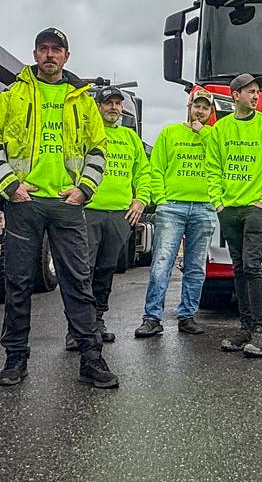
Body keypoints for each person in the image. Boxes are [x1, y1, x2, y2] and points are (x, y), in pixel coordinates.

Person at [0, 27, 116, 389]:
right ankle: (15, 360)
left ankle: (91, 359)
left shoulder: (83, 100)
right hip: (25, 203)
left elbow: (98, 148)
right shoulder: (13, 96)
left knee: (77, 281)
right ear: (36, 53)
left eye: (57, 50)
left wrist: (84, 189)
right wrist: (10, 185)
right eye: (44, 49)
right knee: (19, 282)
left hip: (66, 204)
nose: (50, 55)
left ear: (66, 56)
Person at [206, 73, 262, 358]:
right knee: (238, 268)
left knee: (252, 266)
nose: (255, 96)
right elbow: (213, 167)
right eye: (249, 91)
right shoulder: (221, 129)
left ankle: (261, 332)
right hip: (229, 209)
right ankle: (245, 328)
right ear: (235, 95)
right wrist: (219, 203)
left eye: (257, 92)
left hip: (256, 209)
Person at [69, 86, 150, 350]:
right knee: (83, 271)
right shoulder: (86, 133)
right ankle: (76, 329)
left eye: (117, 103)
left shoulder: (130, 138)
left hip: (119, 215)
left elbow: (143, 173)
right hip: (88, 211)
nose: (114, 108)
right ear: (98, 106)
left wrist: (140, 200)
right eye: (108, 103)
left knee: (105, 270)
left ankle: (97, 322)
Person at [135, 88, 217, 338]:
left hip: (204, 207)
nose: (200, 111)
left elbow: (222, 162)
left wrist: (203, 134)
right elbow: (156, 167)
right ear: (189, 107)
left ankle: (187, 316)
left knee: (195, 267)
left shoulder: (215, 136)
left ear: (210, 112)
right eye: (196, 106)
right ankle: (152, 317)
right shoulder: (170, 133)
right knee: (162, 263)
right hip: (172, 207)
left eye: (205, 107)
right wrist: (161, 199)